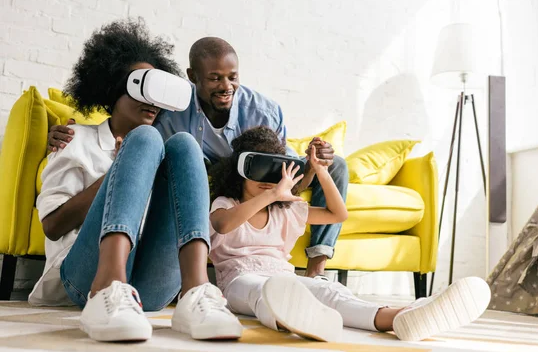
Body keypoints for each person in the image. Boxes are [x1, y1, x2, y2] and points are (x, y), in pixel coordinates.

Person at [47, 37, 347, 279]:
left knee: (336, 166)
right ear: (193, 78)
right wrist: (100, 153)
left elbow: (289, 171)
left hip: (250, 180)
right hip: (209, 179)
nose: (226, 86)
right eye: (215, 78)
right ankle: (116, 284)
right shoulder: (165, 114)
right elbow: (120, 122)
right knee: (178, 146)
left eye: (232, 77)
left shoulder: (261, 111)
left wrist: (313, 165)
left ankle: (202, 286)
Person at [31, 18, 243, 342]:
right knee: (144, 138)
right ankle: (107, 286)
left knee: (185, 143)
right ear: (113, 88)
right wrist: (116, 174)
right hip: (81, 276)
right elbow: (52, 224)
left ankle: (196, 290)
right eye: (140, 86)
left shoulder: (161, 148)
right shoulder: (76, 140)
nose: (152, 101)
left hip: (149, 289)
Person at [208, 126, 492, 342]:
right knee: (264, 291)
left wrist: (320, 171)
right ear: (239, 170)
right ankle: (296, 319)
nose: (265, 180)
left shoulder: (286, 211)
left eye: (273, 171)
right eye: (256, 169)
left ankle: (398, 317)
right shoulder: (226, 205)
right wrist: (271, 196)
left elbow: (337, 214)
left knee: (324, 290)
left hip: (284, 277)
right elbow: (223, 225)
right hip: (238, 280)